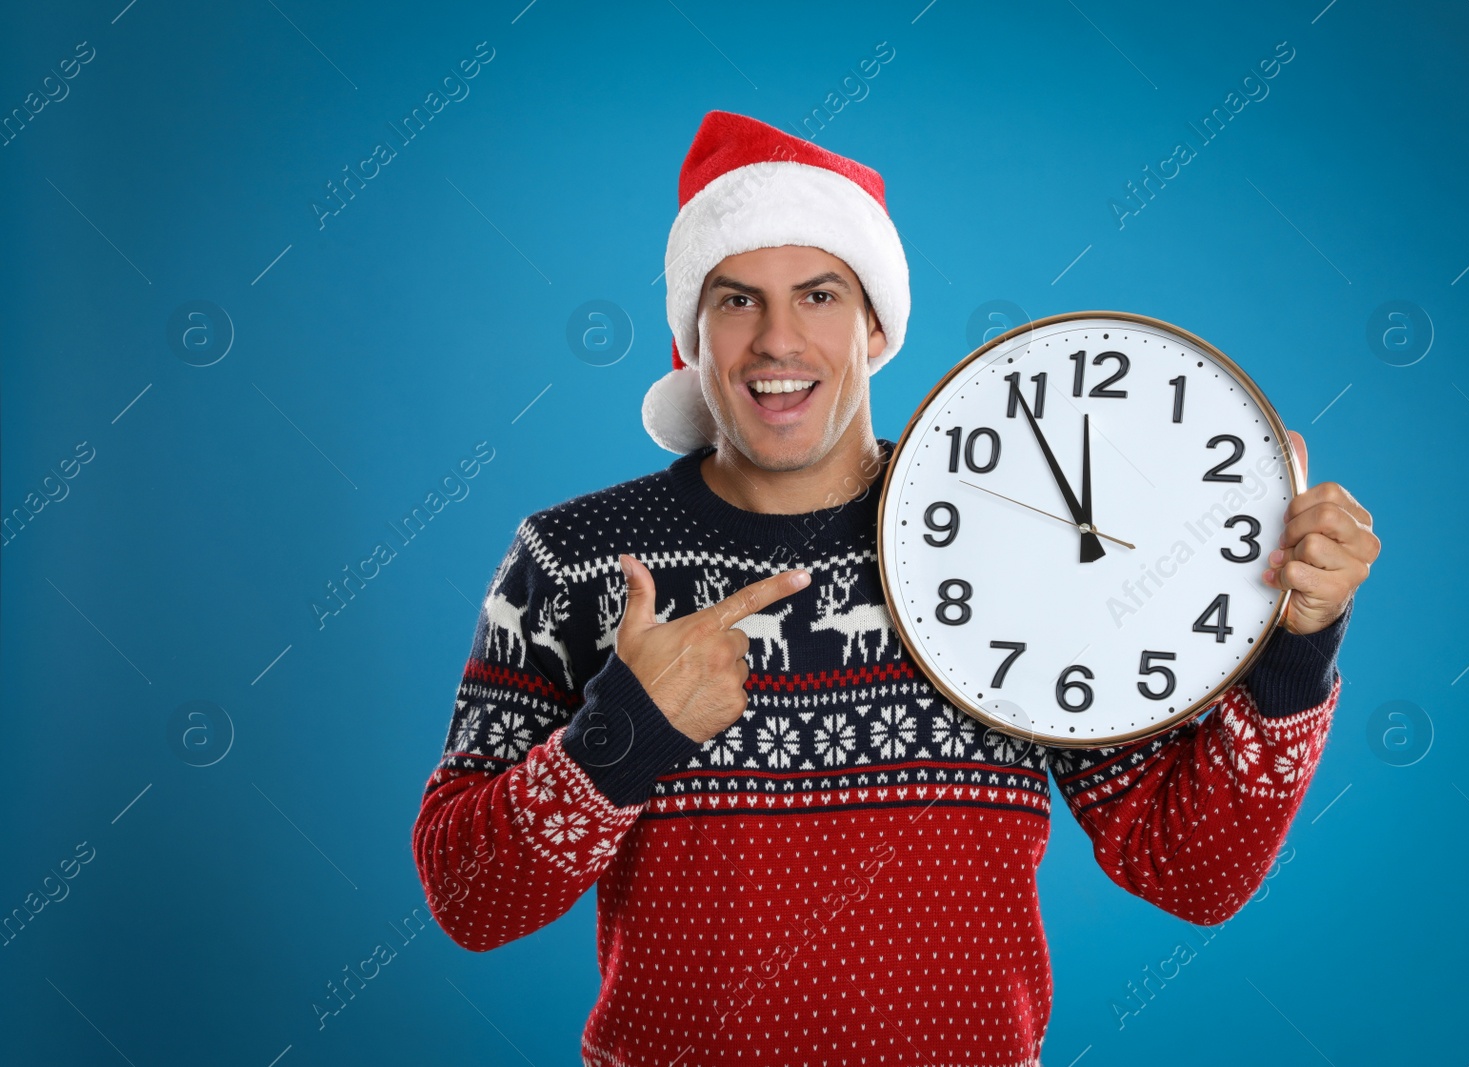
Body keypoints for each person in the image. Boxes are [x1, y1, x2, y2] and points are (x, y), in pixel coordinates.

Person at [411, 110, 1380, 1066]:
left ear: (876, 326)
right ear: (691, 336)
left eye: (821, 295)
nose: (776, 339)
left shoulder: (1015, 539)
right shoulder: (576, 555)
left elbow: (1187, 868)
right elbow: (469, 899)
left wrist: (1298, 639)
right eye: (735, 299)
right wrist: (623, 731)